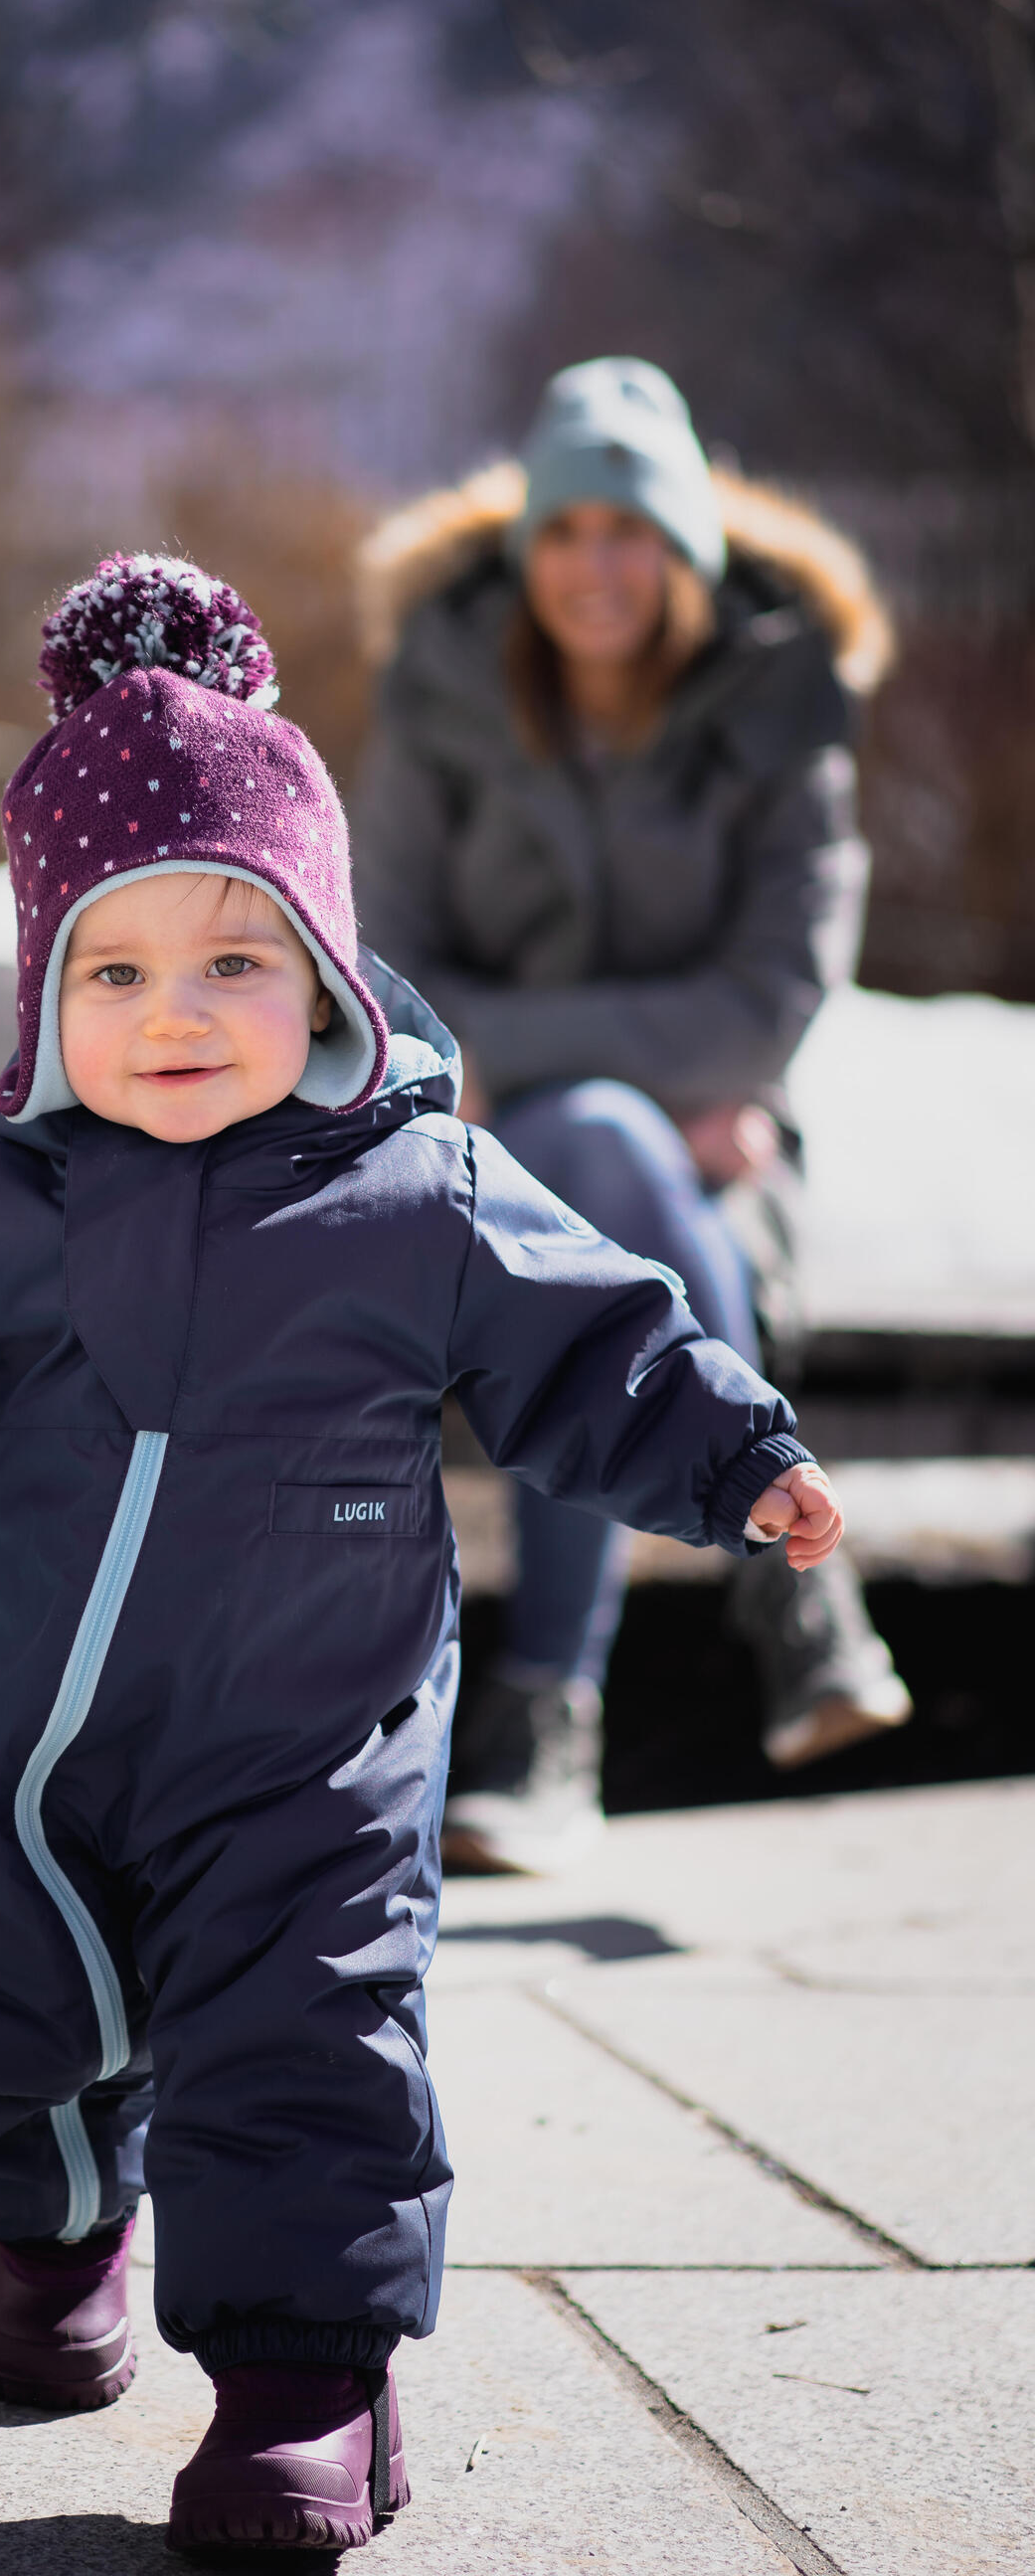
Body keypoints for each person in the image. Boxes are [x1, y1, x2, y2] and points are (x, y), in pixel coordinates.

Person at [0, 552, 846, 2552]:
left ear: (331, 971)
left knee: (303, 2043)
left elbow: (590, 1337)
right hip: (22, 1753)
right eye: (115, 970)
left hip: (309, 1757)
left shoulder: (417, 1192)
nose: (174, 1014)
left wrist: (730, 1452)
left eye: (233, 962)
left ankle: (307, 2388)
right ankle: (56, 2243)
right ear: (44, 995)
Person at [351, 357, 910, 1873]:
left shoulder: (787, 704)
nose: (595, 566)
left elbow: (770, 999)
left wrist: (528, 1056)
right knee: (594, 1147)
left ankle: (548, 1729)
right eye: (565, 530)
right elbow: (385, 967)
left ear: (686, 547)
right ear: (527, 548)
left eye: (631, 531)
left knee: (602, 1168)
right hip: (475, 1160)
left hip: (713, 1176)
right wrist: (628, 1080)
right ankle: (791, 1580)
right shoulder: (445, 690)